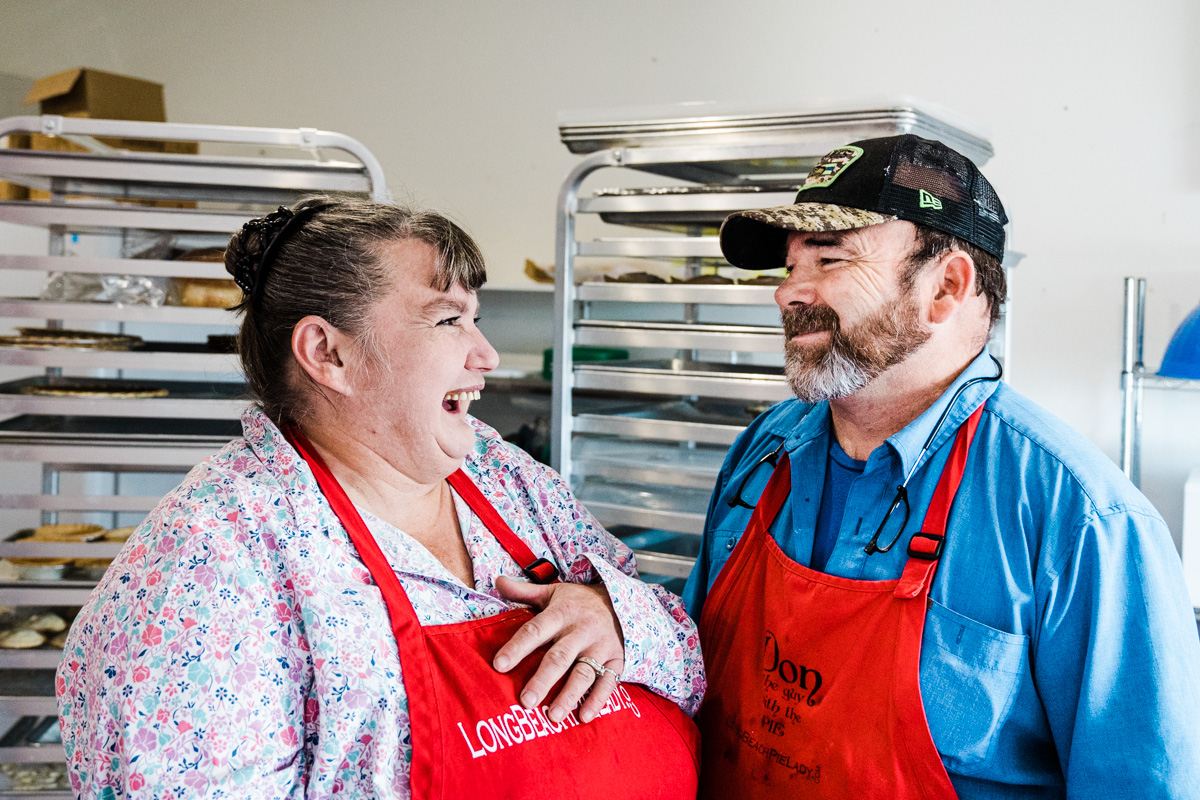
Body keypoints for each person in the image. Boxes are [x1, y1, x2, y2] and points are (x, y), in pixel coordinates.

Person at [57, 198, 703, 799]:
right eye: (449, 320)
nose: (488, 355)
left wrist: (619, 619)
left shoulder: (505, 479)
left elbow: (688, 661)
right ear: (328, 352)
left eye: (477, 320)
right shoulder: (213, 560)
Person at [683, 134, 1200, 799]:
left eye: (830, 258)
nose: (787, 293)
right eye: (787, 267)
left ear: (946, 288)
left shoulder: (1081, 521)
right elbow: (692, 661)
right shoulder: (764, 451)